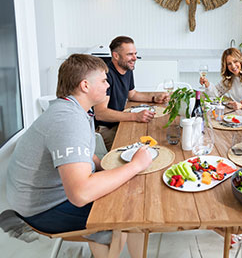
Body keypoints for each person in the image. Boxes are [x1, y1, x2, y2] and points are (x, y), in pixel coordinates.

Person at [6, 54, 153, 258]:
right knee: (127, 211)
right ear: (85, 85)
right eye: (103, 80)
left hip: (45, 195)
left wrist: (103, 167)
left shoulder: (76, 110)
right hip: (43, 208)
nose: (108, 85)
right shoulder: (68, 121)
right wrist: (135, 166)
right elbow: (80, 194)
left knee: (128, 193)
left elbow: (84, 150)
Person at [94, 36, 169, 150]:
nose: (134, 58)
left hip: (120, 121)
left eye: (135, 53)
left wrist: (154, 98)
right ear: (116, 55)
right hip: (106, 129)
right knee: (139, 149)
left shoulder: (126, 67)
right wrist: (135, 116)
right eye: (130, 54)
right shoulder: (106, 74)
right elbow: (100, 113)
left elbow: (132, 94)